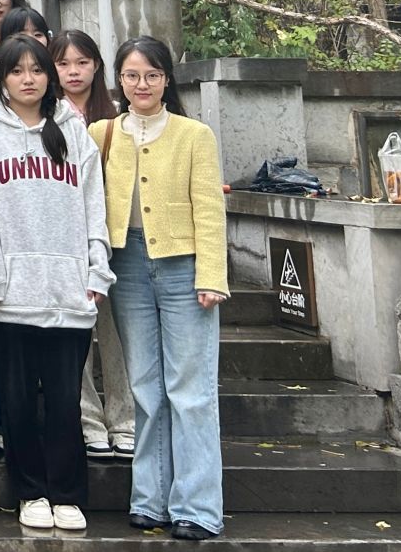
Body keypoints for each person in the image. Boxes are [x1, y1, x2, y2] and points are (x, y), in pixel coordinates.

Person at [0, 35, 113, 534]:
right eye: (16, 70)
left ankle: (67, 493)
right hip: (11, 293)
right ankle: (30, 492)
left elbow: (94, 203)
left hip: (70, 288)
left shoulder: (73, 130)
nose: (28, 79)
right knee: (19, 401)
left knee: (66, 401)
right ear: (1, 78)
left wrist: (96, 267)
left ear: (49, 77)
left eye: (37, 69)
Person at [95, 36, 227, 542]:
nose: (142, 84)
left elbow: (210, 210)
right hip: (126, 265)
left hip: (183, 266)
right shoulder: (102, 132)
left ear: (166, 79)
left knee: (190, 391)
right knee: (146, 388)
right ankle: (150, 499)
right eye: (131, 75)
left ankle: (197, 507)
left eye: (151, 75)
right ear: (119, 80)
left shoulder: (194, 135)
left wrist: (211, 275)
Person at [53, 29, 134, 461]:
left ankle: (125, 419)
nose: (73, 72)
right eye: (63, 63)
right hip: (66, 238)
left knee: (116, 335)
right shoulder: (47, 119)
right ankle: (87, 419)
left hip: (114, 237)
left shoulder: (118, 117)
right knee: (75, 337)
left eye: (82, 62)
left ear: (97, 66)